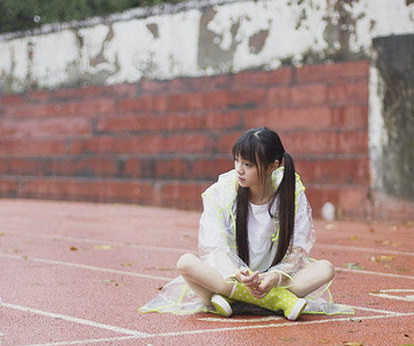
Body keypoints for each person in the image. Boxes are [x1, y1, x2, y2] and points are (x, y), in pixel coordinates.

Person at [140, 127, 352, 320]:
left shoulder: (291, 193)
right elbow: (214, 248)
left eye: (248, 164)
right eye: (237, 161)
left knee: (325, 269)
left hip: (274, 279)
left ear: (273, 166)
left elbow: (298, 250)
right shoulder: (221, 193)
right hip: (231, 277)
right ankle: (277, 301)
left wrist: (274, 276)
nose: (239, 170)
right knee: (185, 263)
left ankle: (231, 299)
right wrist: (237, 274)